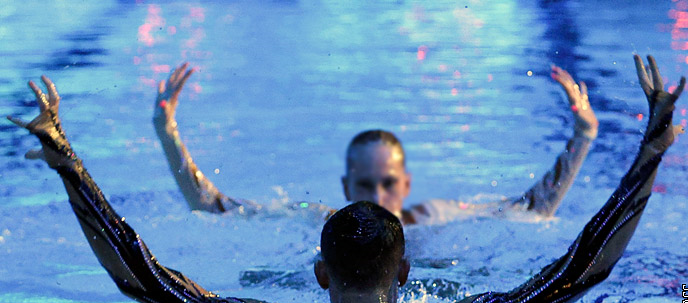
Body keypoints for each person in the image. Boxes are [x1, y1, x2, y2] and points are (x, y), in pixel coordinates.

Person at [9, 55, 684, 303]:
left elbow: (140, 275)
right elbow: (584, 266)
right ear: (406, 271)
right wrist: (648, 149)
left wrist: (69, 162)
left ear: (320, 274)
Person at [153, 63, 599, 224]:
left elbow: (533, 209)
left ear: (406, 184)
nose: (376, 197)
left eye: (387, 183)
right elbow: (213, 208)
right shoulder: (318, 223)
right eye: (365, 185)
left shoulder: (434, 219)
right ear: (346, 187)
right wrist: (167, 133)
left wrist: (583, 136)